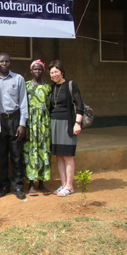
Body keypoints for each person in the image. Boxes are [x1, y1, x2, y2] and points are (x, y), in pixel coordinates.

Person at [0, 52, 28, 200]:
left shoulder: (18, 79)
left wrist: (22, 124)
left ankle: (18, 186)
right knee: (1, 156)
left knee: (17, 156)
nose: (4, 64)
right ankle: (4, 185)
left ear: (10, 63)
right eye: (1, 61)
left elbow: (23, 102)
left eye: (7, 61)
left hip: (15, 119)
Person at [48, 60, 83, 197]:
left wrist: (77, 123)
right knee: (59, 156)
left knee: (67, 156)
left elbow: (79, 105)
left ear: (62, 72)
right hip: (54, 123)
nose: (54, 74)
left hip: (68, 123)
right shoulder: (52, 88)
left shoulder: (71, 84)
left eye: (56, 71)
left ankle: (70, 186)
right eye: (51, 73)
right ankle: (63, 185)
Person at [23, 59, 52, 196]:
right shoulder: (27, 86)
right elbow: (23, 107)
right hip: (31, 124)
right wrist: (26, 127)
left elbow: (50, 106)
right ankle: (31, 184)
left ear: (43, 71)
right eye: (35, 69)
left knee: (44, 152)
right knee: (31, 153)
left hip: (44, 125)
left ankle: (42, 183)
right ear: (31, 71)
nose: (37, 71)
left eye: (40, 69)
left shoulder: (48, 87)